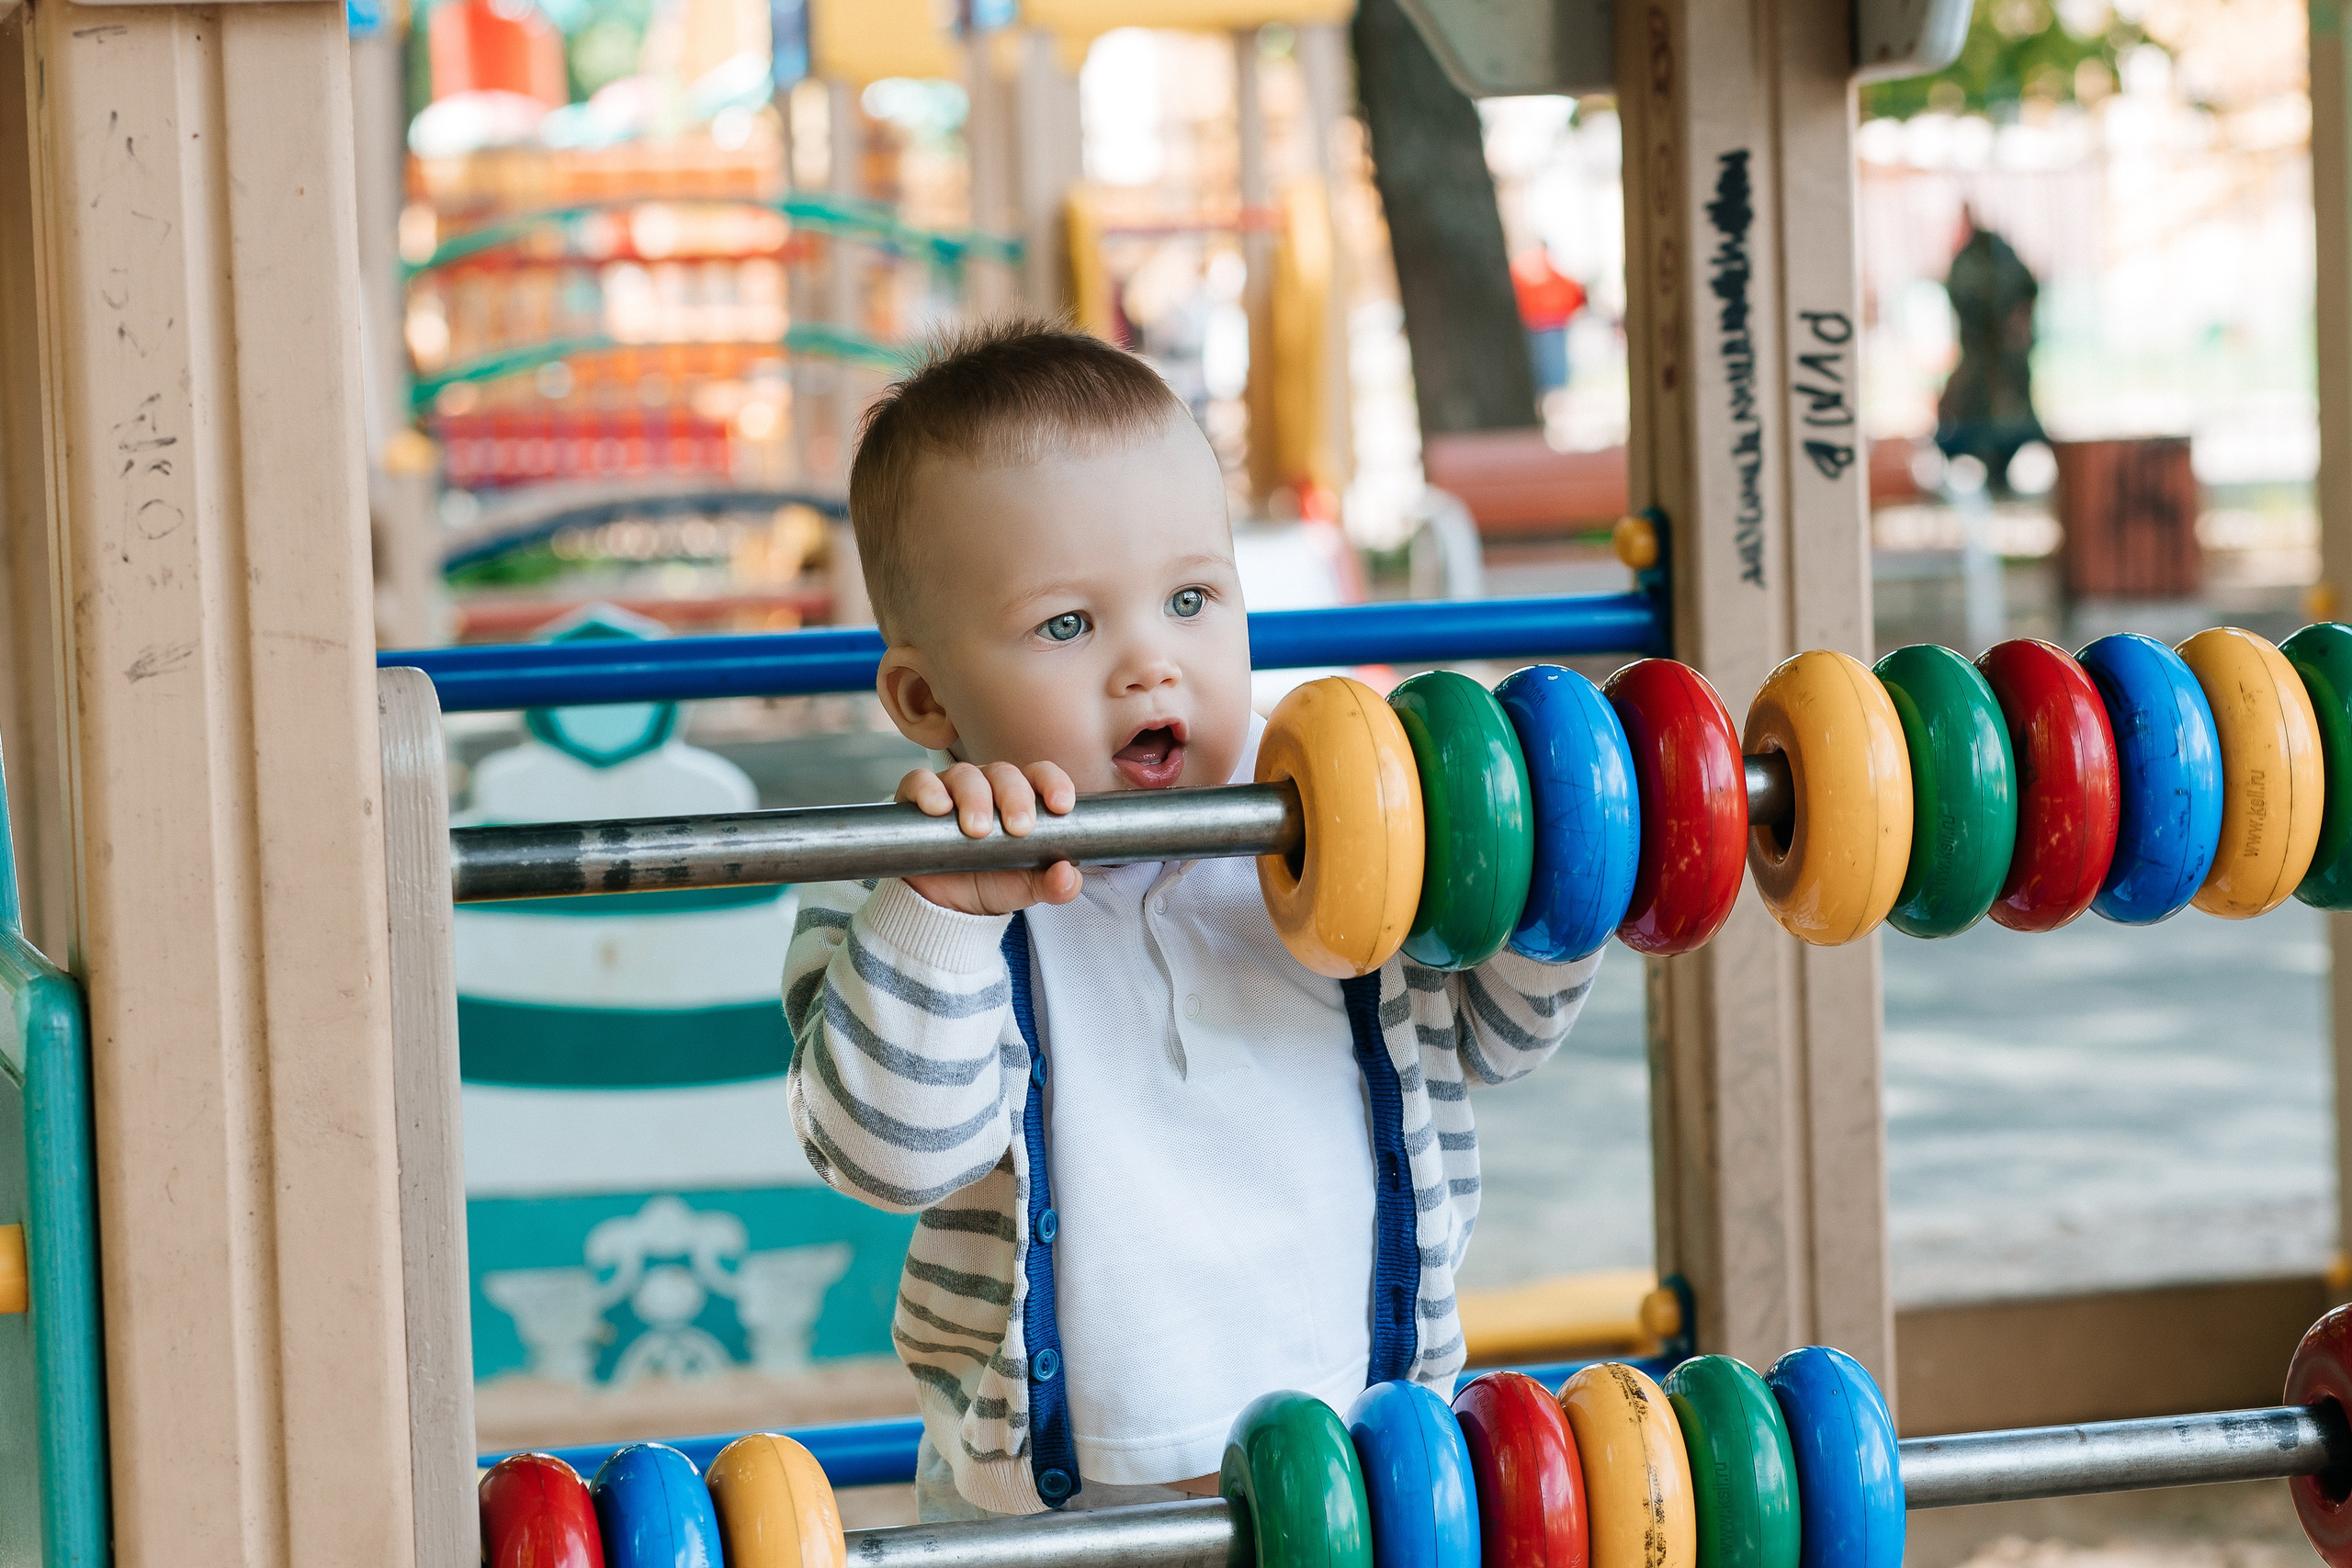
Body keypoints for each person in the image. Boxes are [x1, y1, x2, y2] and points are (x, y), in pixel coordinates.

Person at [783, 319, 1601, 1520]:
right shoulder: (899, 889)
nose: (1149, 666)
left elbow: (1497, 1040)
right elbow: (885, 1155)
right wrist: (937, 912)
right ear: (925, 696)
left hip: (1362, 1470)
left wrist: (1549, 879)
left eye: (1190, 598)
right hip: (1062, 1511)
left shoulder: (1341, 849)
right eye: (1069, 624)